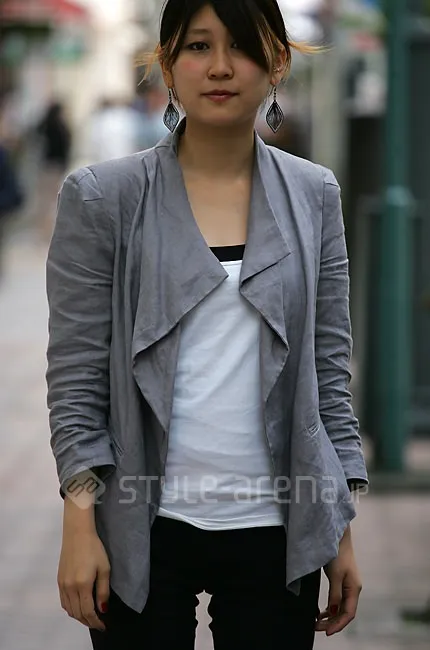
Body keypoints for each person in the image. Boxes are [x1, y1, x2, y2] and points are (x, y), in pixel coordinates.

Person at [45, 1, 369, 649]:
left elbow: (327, 376)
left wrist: (336, 527)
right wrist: (79, 523)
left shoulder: (315, 194)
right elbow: (77, 377)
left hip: (277, 529)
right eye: (197, 46)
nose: (220, 67)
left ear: (277, 63)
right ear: (167, 65)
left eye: (242, 46)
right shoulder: (103, 197)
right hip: (138, 524)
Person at [34, 101, 72, 241]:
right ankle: (47, 230)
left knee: (44, 200)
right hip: (56, 166)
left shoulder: (46, 126)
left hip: (46, 165)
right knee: (52, 199)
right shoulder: (60, 127)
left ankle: (43, 229)